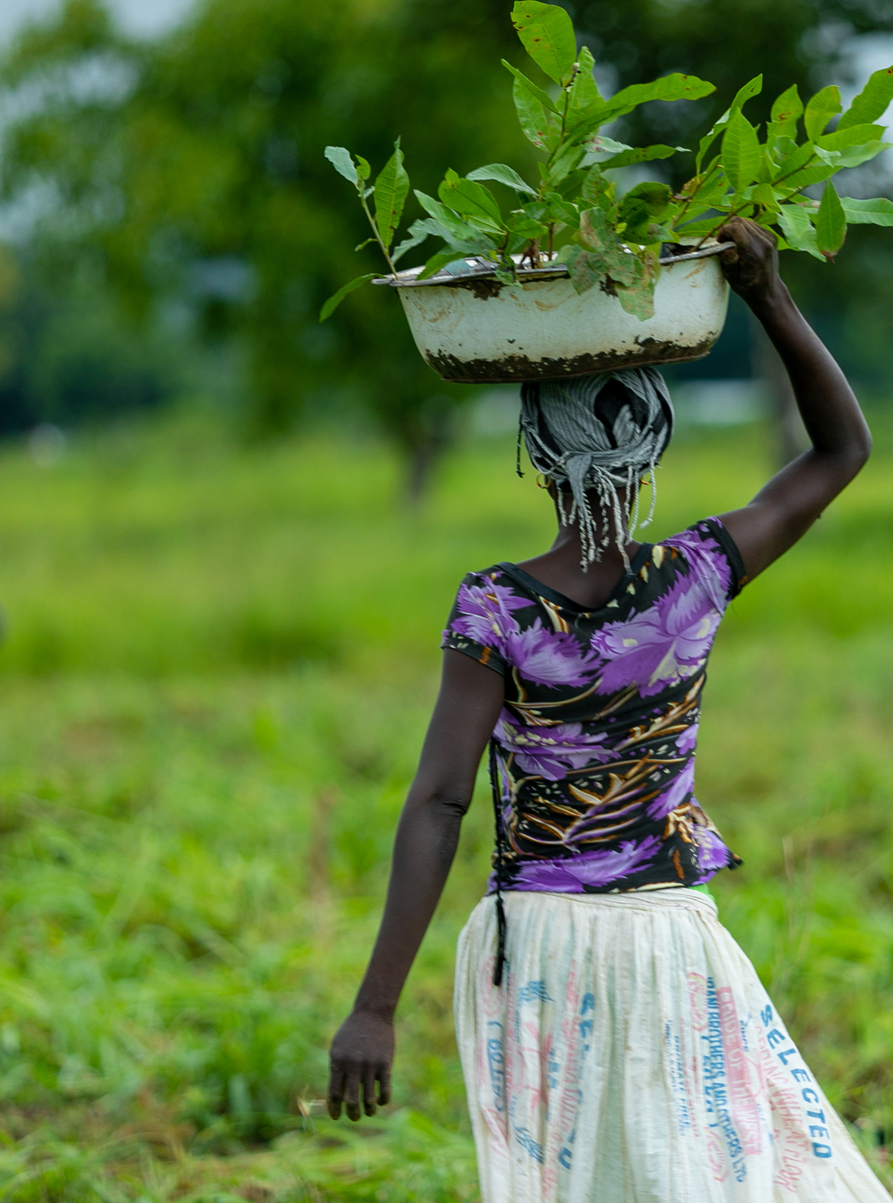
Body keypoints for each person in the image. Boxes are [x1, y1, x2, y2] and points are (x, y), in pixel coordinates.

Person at [326, 218, 891, 1202]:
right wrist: (768, 294)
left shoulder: (494, 607)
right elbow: (843, 448)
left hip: (534, 947)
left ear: (537, 455)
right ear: (656, 442)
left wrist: (375, 1009)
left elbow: (440, 803)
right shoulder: (698, 576)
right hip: (669, 937)